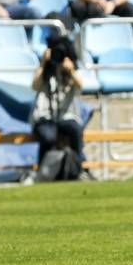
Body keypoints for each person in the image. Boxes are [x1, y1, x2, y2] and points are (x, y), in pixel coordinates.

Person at [29, 34, 85, 180]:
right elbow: (35, 86)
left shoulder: (71, 68)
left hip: (65, 115)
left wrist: (71, 71)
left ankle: (77, 170)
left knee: (76, 130)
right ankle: (43, 172)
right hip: (44, 116)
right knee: (48, 137)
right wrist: (43, 63)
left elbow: (81, 86)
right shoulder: (45, 69)